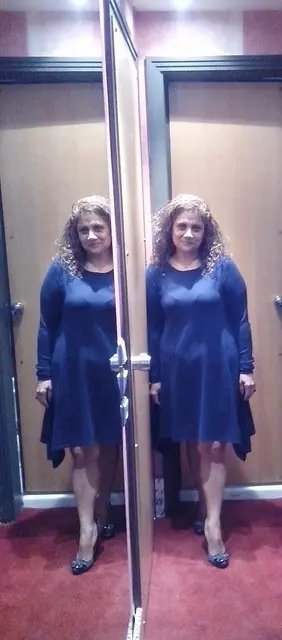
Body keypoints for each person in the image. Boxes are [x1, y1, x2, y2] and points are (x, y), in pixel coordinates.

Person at [146, 194, 256, 569]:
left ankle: (213, 525)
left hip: (218, 365)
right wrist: (155, 378)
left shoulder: (223, 268)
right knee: (193, 441)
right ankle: (204, 505)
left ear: (206, 231)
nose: (189, 233)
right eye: (182, 226)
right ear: (170, 230)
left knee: (215, 443)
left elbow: (241, 320)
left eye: (196, 227)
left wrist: (246, 367)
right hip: (178, 368)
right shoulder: (156, 274)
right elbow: (153, 328)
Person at [35, 195, 121, 576]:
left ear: (112, 230)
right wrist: (44, 373)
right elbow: (46, 325)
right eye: (83, 229)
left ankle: (103, 511)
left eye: (98, 227)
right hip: (72, 371)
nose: (91, 235)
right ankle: (87, 531)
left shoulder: (127, 272)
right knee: (82, 448)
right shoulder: (61, 271)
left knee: (110, 444)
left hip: (113, 371)